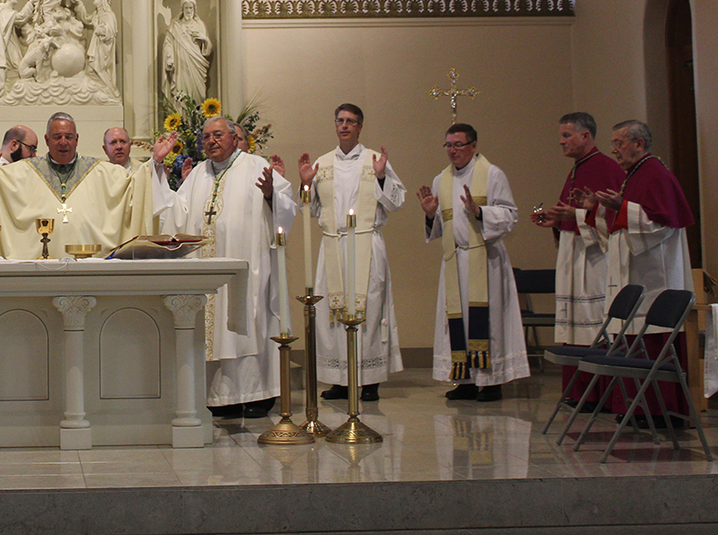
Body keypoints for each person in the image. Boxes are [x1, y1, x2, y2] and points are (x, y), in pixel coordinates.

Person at [156, 116, 297, 418]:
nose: (211, 141)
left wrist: (272, 195)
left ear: (234, 138)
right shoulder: (197, 175)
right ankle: (219, 398)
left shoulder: (256, 166)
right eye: (206, 137)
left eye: (218, 135)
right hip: (206, 273)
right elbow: (175, 211)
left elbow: (289, 208)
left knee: (244, 326)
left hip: (245, 268)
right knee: (211, 329)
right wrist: (157, 173)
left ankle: (255, 394)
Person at [573, 119, 693, 420]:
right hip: (636, 273)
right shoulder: (635, 174)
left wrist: (621, 206)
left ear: (639, 144)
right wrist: (597, 209)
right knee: (633, 339)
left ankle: (660, 411)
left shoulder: (656, 175)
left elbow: (660, 225)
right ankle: (635, 407)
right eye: (613, 143)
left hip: (656, 278)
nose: (614, 149)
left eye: (619, 143)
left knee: (653, 341)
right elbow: (618, 228)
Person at [0, 111, 167, 261]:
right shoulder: (24, 170)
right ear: (47, 140)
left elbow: (135, 187)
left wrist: (155, 161)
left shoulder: (103, 172)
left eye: (68, 136)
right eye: (57, 136)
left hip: (91, 265)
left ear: (77, 139)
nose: (63, 142)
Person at [298, 103, 405, 402]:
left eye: (351, 121)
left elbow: (396, 202)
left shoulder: (375, 160)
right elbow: (310, 208)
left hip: (366, 243)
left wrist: (382, 177)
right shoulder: (323, 163)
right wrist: (306, 184)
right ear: (335, 125)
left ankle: (369, 380)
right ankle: (340, 380)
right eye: (340, 120)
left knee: (368, 308)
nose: (344, 125)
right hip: (333, 243)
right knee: (332, 312)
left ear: (360, 127)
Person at [417, 123, 528, 402]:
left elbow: (510, 215)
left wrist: (480, 212)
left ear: (474, 146)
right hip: (455, 261)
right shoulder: (441, 180)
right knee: (458, 321)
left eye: (459, 145)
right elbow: (441, 229)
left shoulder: (492, 174)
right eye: (449, 145)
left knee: (488, 321)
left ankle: (491, 382)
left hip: (486, 260)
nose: (453, 151)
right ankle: (464, 380)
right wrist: (431, 215)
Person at [528, 112, 623, 403]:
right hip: (574, 253)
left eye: (567, 135)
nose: (561, 141)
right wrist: (557, 220)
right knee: (574, 324)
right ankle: (580, 392)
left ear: (586, 135)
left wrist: (578, 216)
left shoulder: (605, 167)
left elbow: (616, 218)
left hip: (594, 261)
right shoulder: (576, 169)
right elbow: (574, 213)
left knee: (594, 321)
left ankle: (601, 394)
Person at [161, 0, 212, 106]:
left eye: (191, 8)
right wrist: (169, 57)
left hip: (196, 64)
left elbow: (207, 51)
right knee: (181, 92)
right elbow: (168, 43)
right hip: (180, 64)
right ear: (182, 10)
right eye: (186, 8)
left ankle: (197, 119)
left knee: (199, 94)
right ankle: (180, 120)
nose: (189, 11)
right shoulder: (175, 25)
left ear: (194, 9)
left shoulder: (200, 25)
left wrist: (204, 39)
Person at [0, 0, 27, 97]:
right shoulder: (5, 13)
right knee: (18, 66)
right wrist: (32, 2)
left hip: (9, 43)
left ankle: (13, 92)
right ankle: (10, 92)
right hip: (6, 45)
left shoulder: (5, 12)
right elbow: (21, 17)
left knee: (16, 67)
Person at [86, 0, 118, 92]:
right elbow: (86, 19)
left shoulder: (108, 15)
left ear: (102, 0)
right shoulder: (96, 14)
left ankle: (110, 90)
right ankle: (102, 90)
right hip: (97, 44)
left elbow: (110, 31)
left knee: (99, 68)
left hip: (103, 46)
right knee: (91, 70)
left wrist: (97, 27)